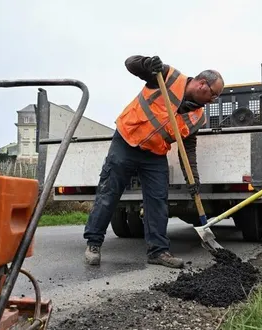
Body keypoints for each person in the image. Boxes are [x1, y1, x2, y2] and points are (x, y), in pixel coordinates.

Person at [83, 55, 224, 268]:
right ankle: (94, 243)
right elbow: (130, 63)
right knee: (109, 193)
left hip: (154, 154)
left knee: (158, 201)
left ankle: (158, 251)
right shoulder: (166, 76)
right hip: (126, 141)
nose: (213, 100)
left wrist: (192, 178)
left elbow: (188, 148)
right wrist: (147, 64)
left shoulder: (198, 116)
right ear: (202, 84)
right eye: (213, 95)